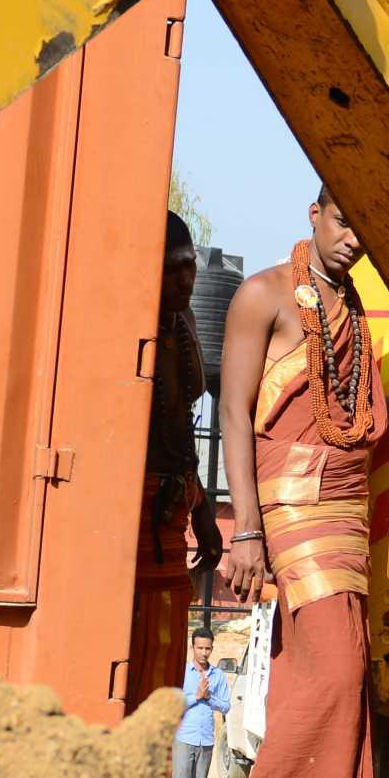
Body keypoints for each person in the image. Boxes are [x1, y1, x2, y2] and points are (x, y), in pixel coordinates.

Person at [216, 194, 389, 778]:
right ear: (313, 214)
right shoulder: (262, 295)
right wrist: (245, 532)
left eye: (363, 230)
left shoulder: (353, 307)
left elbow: (360, 420)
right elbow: (233, 412)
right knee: (338, 669)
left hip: (346, 506)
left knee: (327, 664)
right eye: (343, 222)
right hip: (291, 502)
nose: (352, 240)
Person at [130, 215, 226, 707]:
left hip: (171, 514)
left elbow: (182, 422)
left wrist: (201, 507)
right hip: (134, 519)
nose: (186, 278)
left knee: (163, 650)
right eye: (173, 268)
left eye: (190, 265)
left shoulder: (181, 322)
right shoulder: (130, 325)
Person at [172, 634, 233, 778]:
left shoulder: (218, 675)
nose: (204, 653)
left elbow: (226, 706)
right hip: (184, 738)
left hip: (206, 741)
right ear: (192, 648)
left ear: (212, 649)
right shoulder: (182, 672)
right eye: (200, 648)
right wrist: (196, 696)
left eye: (207, 648)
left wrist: (209, 697)